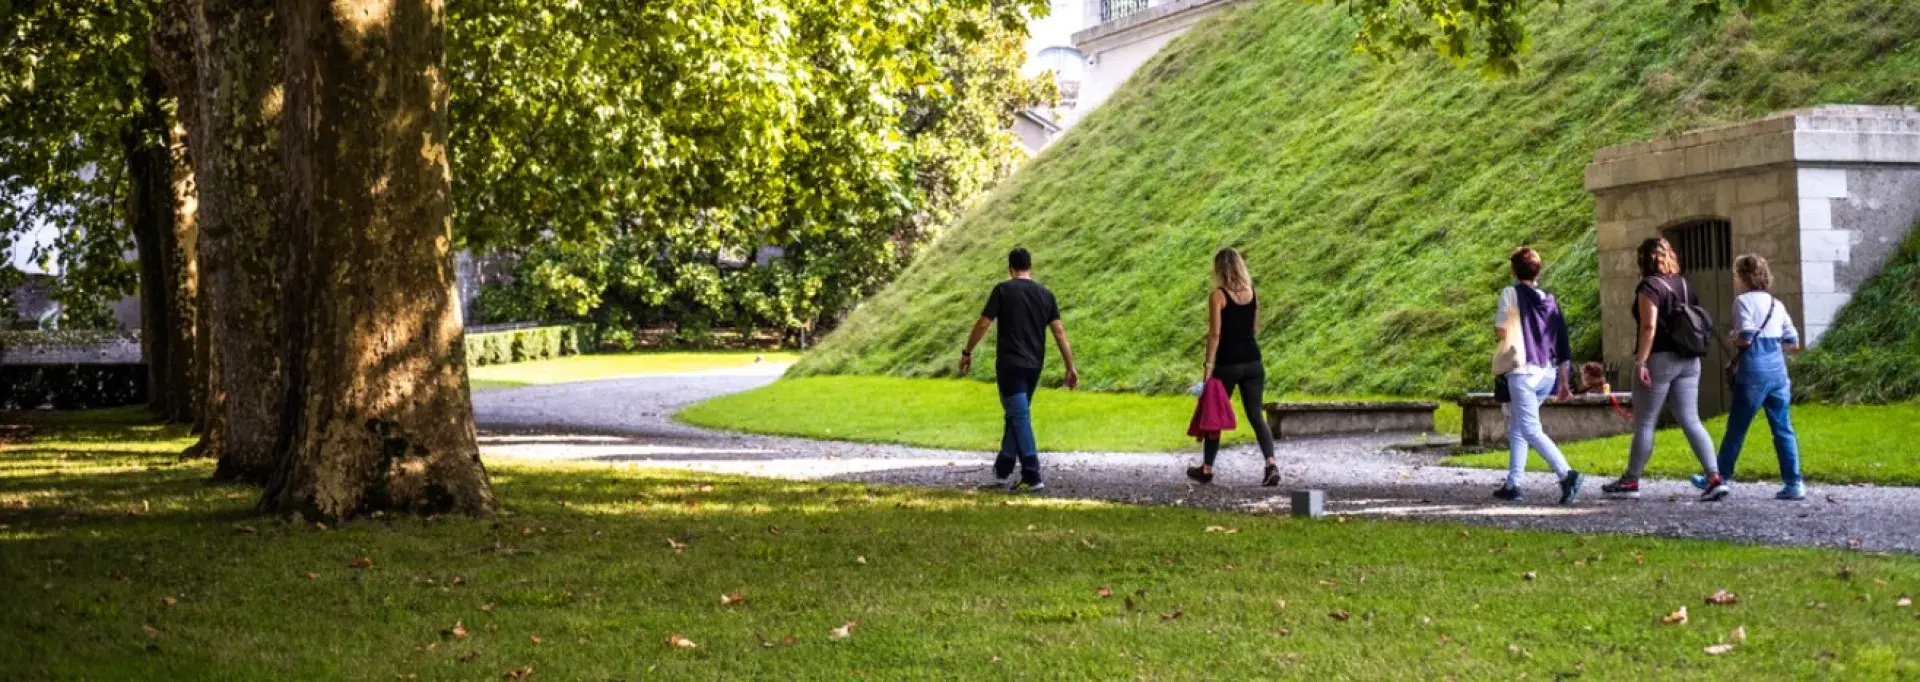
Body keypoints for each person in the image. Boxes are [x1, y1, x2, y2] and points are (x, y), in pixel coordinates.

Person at [1602, 237, 1724, 500]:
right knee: (1691, 419)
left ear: (1643, 260)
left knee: (1646, 422)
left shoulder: (1649, 286)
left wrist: (1641, 361)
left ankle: (1631, 481)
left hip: (1660, 359)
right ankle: (1714, 477)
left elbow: (1649, 327)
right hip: (1689, 359)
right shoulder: (1683, 283)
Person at [960, 248, 1080, 492]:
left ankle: (1032, 475)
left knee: (1019, 417)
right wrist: (1070, 366)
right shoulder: (1046, 295)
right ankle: (1002, 470)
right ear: (1030, 267)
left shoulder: (1003, 290)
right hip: (1034, 366)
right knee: (1016, 415)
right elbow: (1059, 332)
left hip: (1010, 365)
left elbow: (983, 323)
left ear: (1011, 269)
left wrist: (967, 351)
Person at [1694, 254, 1805, 500]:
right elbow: (1793, 342)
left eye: (1736, 274)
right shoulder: (1776, 304)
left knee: (1737, 428)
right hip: (1778, 373)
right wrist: (1770, 344)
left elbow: (1745, 337)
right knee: (1783, 428)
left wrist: (1734, 339)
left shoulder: (1742, 302)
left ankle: (1719, 477)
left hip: (1753, 372)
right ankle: (1794, 482)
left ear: (1743, 277)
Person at [1491, 247, 1584, 505]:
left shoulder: (1510, 294)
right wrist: (1564, 381)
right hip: (1547, 374)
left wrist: (1514, 323)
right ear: (1539, 273)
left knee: (1530, 429)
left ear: (1513, 271)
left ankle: (1567, 474)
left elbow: (1500, 330)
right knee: (1518, 426)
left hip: (1522, 372)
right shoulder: (1550, 300)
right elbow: (1562, 343)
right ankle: (1513, 484)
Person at [1186, 248, 1280, 486]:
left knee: (1214, 414)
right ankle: (1271, 465)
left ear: (1220, 269)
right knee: (1256, 415)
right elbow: (1254, 328)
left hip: (1228, 363)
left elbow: (1215, 334)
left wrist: (1208, 367)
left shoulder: (1218, 296)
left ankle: (1207, 468)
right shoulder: (1252, 293)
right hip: (1253, 361)